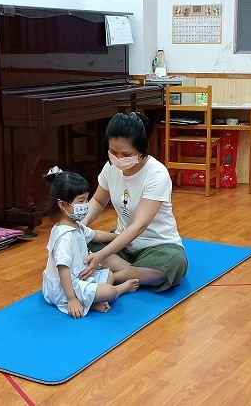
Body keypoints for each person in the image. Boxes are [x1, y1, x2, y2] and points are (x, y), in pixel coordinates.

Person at [79, 112, 188, 292]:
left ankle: (110, 276)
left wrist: (101, 255)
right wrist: (79, 225)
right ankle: (130, 273)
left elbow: (139, 226)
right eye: (113, 152)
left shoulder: (156, 174)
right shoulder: (110, 168)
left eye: (126, 154)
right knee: (81, 241)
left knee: (172, 265)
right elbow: (98, 201)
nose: (118, 159)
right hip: (122, 243)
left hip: (157, 246)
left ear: (142, 148)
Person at [42, 167, 140, 318]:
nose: (86, 205)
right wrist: (71, 299)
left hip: (79, 277)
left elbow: (96, 235)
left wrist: (121, 237)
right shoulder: (64, 237)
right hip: (64, 289)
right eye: (81, 201)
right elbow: (63, 269)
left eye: (87, 199)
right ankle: (120, 289)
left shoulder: (76, 225)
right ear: (62, 205)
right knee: (109, 291)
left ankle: (91, 302)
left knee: (109, 275)